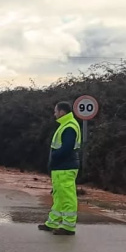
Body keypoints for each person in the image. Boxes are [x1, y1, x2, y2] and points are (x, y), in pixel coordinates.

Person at [39, 101, 82, 235]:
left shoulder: (69, 126)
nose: (54, 113)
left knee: (68, 197)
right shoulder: (65, 125)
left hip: (65, 167)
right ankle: (52, 222)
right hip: (60, 168)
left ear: (62, 112)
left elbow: (67, 148)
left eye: (56, 111)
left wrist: (55, 156)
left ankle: (68, 226)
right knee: (59, 196)